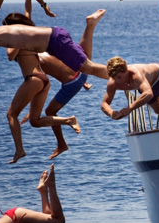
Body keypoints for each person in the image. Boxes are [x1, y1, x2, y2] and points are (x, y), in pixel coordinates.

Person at [2, 0, 82, 164]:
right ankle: (68, 120)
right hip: (44, 80)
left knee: (11, 114)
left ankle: (19, 150)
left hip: (33, 79)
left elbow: (10, 56)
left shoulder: (18, 37)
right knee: (35, 121)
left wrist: (13, 37)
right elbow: (27, 12)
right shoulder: (30, 33)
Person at [21, 10, 105, 159]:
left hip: (73, 83)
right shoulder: (43, 47)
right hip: (80, 71)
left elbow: (40, 85)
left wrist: (32, 111)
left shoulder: (33, 61)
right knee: (83, 57)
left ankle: (61, 144)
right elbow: (63, 62)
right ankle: (90, 25)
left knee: (50, 112)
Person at [0, 19, 108, 79]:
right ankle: (117, 75)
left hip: (55, 41)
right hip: (54, 42)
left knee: (88, 68)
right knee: (86, 65)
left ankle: (119, 75)